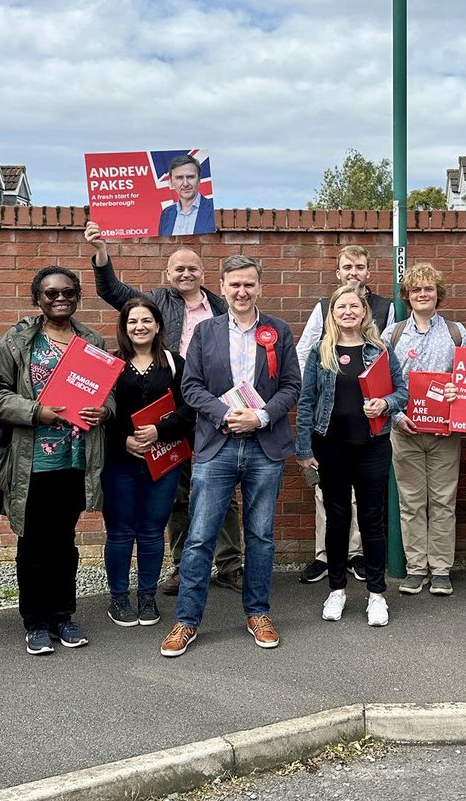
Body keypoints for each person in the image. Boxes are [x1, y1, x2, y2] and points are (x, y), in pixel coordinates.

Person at [84, 222, 240, 596]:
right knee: (177, 489)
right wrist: (102, 252)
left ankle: (230, 564)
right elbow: (113, 291)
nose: (186, 274)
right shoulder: (158, 302)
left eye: (193, 268)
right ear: (167, 275)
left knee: (222, 486)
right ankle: (182, 565)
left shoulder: (222, 306)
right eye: (178, 269)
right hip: (172, 409)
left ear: (204, 274)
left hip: (215, 408)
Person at [160, 255, 300, 658]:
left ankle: (257, 612)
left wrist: (260, 415)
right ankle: (186, 620)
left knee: (260, 537)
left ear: (260, 287)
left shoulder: (279, 330)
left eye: (249, 285)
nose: (242, 292)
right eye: (234, 285)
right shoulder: (205, 332)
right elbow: (191, 387)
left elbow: (292, 384)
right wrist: (226, 414)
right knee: (201, 536)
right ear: (221, 286)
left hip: (264, 444)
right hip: (216, 444)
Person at [0, 266, 112, 656]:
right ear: (36, 298)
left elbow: (106, 393)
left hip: (76, 459)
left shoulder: (90, 339)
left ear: (78, 295)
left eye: (68, 292)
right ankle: (35, 621)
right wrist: (37, 411)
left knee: (65, 542)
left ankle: (63, 615)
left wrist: (104, 412)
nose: (60, 298)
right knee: (33, 545)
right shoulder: (18, 340)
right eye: (50, 293)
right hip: (31, 462)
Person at [297, 287, 408, 625]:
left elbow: (402, 392)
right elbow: (306, 402)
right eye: (340, 306)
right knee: (337, 519)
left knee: (372, 521)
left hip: (373, 447)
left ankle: (376, 595)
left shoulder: (380, 350)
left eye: (354, 306)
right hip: (330, 448)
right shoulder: (321, 352)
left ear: (364, 312)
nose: (348, 311)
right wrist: (303, 450)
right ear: (332, 313)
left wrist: (385, 403)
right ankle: (337, 590)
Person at [296, 245, 394, 584]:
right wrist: (319, 379)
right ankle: (327, 559)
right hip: (331, 433)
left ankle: (358, 556)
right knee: (332, 503)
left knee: (368, 506)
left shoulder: (386, 308)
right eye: (347, 267)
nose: (354, 272)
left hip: (371, 434)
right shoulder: (323, 309)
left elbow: (390, 370)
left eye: (360, 266)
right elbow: (303, 352)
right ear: (338, 273)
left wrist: (385, 403)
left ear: (369, 272)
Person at [102, 297, 194, 628]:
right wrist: (122, 438)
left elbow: (189, 410)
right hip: (119, 461)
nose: (139, 327)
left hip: (163, 460)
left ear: (157, 326)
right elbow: (100, 414)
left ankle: (146, 597)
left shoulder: (175, 364)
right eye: (132, 322)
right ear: (124, 328)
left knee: (153, 530)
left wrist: (159, 430)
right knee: (120, 531)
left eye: (146, 320)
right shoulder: (110, 364)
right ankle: (118, 598)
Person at [382, 263, 466, 596]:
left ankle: (442, 569)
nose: (423, 294)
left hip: (445, 432)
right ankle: (417, 568)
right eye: (416, 290)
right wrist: (395, 415)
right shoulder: (393, 333)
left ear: (438, 295)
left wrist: (456, 391)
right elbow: (381, 382)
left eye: (429, 289)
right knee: (411, 502)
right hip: (404, 429)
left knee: (444, 501)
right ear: (407, 296)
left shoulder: (456, 332)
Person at [157, 154, 215, 236]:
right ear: (171, 182)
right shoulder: (166, 214)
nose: (185, 184)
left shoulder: (215, 209)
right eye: (179, 178)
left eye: (190, 177)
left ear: (199, 180)